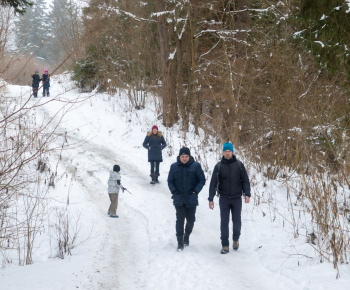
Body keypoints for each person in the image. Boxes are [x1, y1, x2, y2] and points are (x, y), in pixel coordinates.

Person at [208, 142, 251, 254]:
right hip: (224, 198)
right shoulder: (218, 166)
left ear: (232, 152)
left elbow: (245, 180)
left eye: (229, 151)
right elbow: (213, 183)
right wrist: (210, 198)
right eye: (225, 151)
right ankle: (225, 245)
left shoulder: (239, 165)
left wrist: (247, 194)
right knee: (224, 222)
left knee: (237, 222)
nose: (227, 153)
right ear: (223, 152)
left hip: (237, 198)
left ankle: (236, 239)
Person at [167, 147, 206, 251]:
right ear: (179, 157)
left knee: (191, 220)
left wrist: (195, 191)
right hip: (178, 198)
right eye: (182, 156)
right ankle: (180, 243)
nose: (184, 158)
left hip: (191, 198)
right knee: (180, 220)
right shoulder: (174, 166)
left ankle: (186, 235)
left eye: (186, 156)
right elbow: (170, 181)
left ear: (189, 156)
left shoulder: (196, 166)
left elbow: (202, 180)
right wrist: (174, 191)